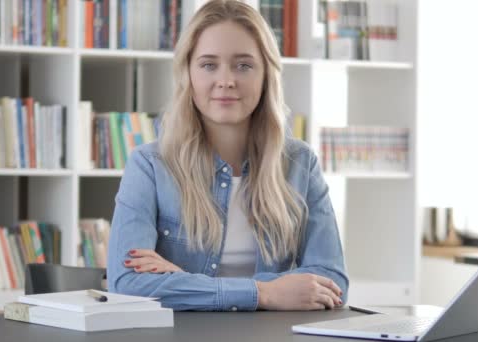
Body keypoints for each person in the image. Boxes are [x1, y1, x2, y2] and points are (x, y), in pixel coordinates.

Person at [107, 0, 348, 311]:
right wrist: (265, 293)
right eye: (208, 65)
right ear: (188, 74)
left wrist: (186, 283)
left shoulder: (300, 164)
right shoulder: (150, 165)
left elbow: (332, 281)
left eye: (243, 65)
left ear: (266, 76)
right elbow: (127, 284)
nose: (226, 80)